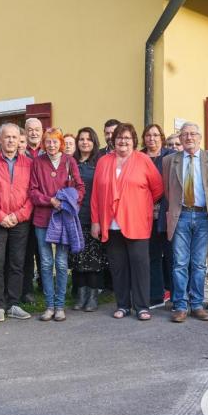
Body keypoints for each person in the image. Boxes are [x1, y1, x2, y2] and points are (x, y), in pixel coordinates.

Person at [90, 123, 163, 321]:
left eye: (127, 138)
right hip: (111, 224)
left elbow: (157, 189)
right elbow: (96, 194)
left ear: (133, 141)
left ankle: (141, 307)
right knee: (118, 266)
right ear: (113, 141)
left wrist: (141, 204)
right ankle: (123, 305)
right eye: (119, 138)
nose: (123, 141)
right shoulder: (104, 161)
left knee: (140, 266)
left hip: (137, 222)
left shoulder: (143, 160)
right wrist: (96, 221)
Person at [162, 122, 208, 323]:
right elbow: (167, 190)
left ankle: (197, 304)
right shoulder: (169, 161)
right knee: (180, 263)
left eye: (192, 134)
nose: (189, 137)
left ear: (200, 137)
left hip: (204, 216)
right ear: (180, 139)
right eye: (184, 134)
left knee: (198, 263)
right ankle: (180, 305)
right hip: (180, 215)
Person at [29, 127, 85, 322]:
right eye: (48, 141)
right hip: (43, 219)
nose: (51, 145)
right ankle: (49, 306)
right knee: (45, 263)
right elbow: (33, 191)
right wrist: (49, 200)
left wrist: (69, 201)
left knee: (61, 263)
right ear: (44, 144)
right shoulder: (37, 162)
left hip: (63, 219)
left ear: (61, 143)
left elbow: (80, 188)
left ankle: (60, 306)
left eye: (55, 141)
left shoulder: (70, 162)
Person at [0, 123, 34, 322]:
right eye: (7, 137)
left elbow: (32, 194)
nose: (11, 140)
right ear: (0, 140)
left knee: (17, 263)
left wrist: (18, 216)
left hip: (20, 222)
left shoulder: (29, 164)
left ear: (19, 140)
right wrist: (0, 216)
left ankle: (13, 303)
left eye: (14, 137)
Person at [69, 127, 108, 312]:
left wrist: (98, 220)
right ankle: (81, 295)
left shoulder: (100, 162)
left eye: (88, 139)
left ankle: (92, 297)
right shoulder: (71, 162)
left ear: (94, 142)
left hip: (92, 218)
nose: (85, 142)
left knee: (93, 261)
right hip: (73, 218)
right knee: (77, 259)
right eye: (81, 139)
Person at [140, 124, 176, 308]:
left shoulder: (170, 156)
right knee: (152, 255)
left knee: (172, 255)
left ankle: (176, 295)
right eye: (148, 135)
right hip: (144, 215)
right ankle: (156, 295)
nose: (151, 138)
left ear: (161, 137)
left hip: (167, 212)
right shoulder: (137, 157)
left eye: (155, 135)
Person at [21, 117, 44, 304]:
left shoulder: (49, 152)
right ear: (25, 132)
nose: (34, 133)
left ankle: (45, 285)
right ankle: (27, 290)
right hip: (26, 211)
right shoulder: (20, 154)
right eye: (30, 130)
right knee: (27, 252)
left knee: (44, 250)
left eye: (37, 130)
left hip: (45, 210)